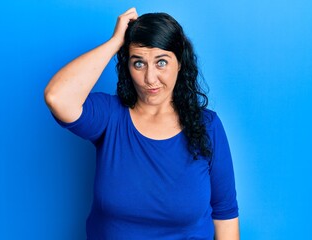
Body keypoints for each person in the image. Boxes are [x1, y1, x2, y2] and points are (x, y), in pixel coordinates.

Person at [44, 7, 239, 240]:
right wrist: (116, 42)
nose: (150, 78)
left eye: (161, 62)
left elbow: (225, 215)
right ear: (127, 67)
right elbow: (57, 97)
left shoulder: (208, 126)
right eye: (138, 64)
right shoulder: (110, 116)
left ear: (180, 63)